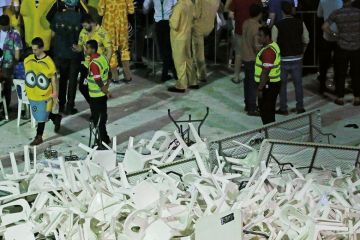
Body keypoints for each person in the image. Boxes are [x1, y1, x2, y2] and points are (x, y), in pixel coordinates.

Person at [272, 1, 309, 115]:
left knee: (282, 85)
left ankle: (283, 108)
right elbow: (306, 40)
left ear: (282, 11)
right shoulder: (300, 23)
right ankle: (300, 107)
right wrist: (302, 52)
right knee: (298, 84)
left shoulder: (277, 25)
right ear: (292, 10)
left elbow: (273, 43)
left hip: (283, 59)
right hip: (297, 58)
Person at [24, 37, 62, 146]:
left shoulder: (49, 62)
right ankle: (55, 117)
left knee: (41, 117)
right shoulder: (29, 59)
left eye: (35, 49)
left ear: (42, 48)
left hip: (45, 95)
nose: (33, 51)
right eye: (32, 49)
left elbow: (54, 80)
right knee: (41, 113)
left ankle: (39, 136)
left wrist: (55, 95)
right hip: (33, 94)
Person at [322, 0, 360, 106]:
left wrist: (335, 34)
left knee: (340, 73)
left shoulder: (337, 13)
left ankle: (340, 97)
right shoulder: (358, 12)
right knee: (356, 73)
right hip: (356, 46)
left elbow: (324, 27)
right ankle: (357, 97)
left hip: (342, 46)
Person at [50, 0, 83, 115]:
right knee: (73, 81)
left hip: (61, 53)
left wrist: (57, 4)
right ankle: (70, 106)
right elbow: (87, 18)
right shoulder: (79, 18)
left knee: (63, 79)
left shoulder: (58, 16)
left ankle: (61, 105)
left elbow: (49, 18)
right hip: (74, 53)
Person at [72, 14, 112, 104]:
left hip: (98, 66)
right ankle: (94, 105)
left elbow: (109, 50)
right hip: (87, 65)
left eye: (85, 25)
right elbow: (81, 46)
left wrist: (105, 64)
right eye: (83, 26)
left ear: (92, 23)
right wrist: (77, 48)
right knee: (83, 87)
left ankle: (97, 108)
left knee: (98, 88)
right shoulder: (83, 31)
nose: (84, 28)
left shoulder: (103, 33)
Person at [98, 0, 134, 83]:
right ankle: (128, 76)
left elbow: (100, 12)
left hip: (109, 25)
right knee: (124, 50)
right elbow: (131, 10)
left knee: (111, 50)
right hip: (122, 25)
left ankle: (115, 77)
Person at [143, 0, 178, 82]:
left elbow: (145, 8)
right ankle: (170, 74)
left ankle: (167, 74)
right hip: (169, 22)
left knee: (164, 50)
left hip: (159, 24)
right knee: (168, 50)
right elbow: (177, 6)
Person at [84, 39, 111, 147]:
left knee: (98, 120)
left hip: (96, 95)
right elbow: (109, 73)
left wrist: (104, 89)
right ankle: (105, 138)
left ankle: (101, 142)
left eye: (87, 48)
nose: (85, 50)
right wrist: (106, 87)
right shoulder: (103, 57)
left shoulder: (94, 63)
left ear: (93, 49)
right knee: (102, 117)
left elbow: (97, 79)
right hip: (101, 95)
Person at [228, 0, 261, 84]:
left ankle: (236, 77)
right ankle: (256, 76)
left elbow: (230, 14)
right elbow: (260, 12)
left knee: (238, 54)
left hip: (240, 30)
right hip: (254, 30)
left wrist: (237, 20)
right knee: (255, 53)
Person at [255, 26, 281, 125]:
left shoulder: (268, 52)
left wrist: (260, 88)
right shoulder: (272, 46)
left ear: (267, 37)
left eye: (260, 36)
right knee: (268, 112)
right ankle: (269, 134)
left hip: (268, 86)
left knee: (266, 113)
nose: (258, 38)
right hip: (272, 85)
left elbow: (265, 72)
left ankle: (269, 135)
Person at [167, 0, 195, 93]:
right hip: (187, 35)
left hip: (178, 37)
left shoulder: (179, 6)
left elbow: (174, 25)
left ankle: (181, 85)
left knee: (179, 62)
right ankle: (192, 81)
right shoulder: (190, 3)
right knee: (188, 59)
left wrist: (170, 18)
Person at [191, 0, 220, 86]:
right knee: (198, 51)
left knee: (198, 52)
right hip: (210, 27)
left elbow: (195, 14)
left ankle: (201, 75)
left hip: (198, 27)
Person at [317, 0, 343, 94]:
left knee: (324, 63)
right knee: (338, 63)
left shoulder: (323, 1)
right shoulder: (340, 1)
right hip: (339, 36)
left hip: (326, 35)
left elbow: (319, 14)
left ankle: (322, 86)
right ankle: (338, 87)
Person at [241, 3, 262, 116]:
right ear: (259, 14)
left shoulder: (246, 23)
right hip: (253, 58)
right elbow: (256, 45)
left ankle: (248, 104)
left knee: (247, 82)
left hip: (245, 56)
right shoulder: (257, 27)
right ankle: (252, 107)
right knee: (253, 84)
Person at [0, 14, 22, 111]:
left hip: (7, 63)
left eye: (5, 26)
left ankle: (5, 107)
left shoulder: (15, 33)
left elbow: (17, 50)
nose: (3, 28)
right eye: (2, 26)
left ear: (8, 24)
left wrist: (15, 62)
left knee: (6, 85)